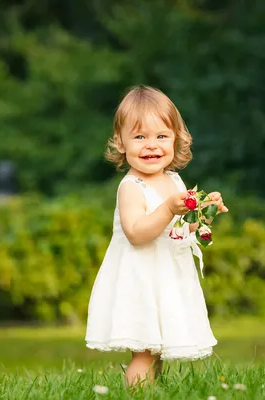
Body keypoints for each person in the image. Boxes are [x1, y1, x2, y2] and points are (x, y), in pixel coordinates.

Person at [85, 85, 228, 386]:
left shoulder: (173, 179)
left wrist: (203, 212)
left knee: (155, 351)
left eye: (161, 136)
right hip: (141, 280)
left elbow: (179, 227)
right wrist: (167, 209)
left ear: (176, 138)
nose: (152, 146)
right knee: (145, 353)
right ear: (121, 143)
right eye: (139, 137)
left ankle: (152, 391)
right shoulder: (131, 187)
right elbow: (137, 233)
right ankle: (138, 393)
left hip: (166, 278)